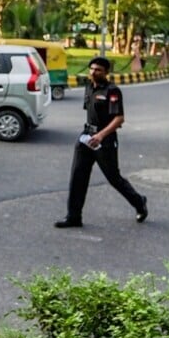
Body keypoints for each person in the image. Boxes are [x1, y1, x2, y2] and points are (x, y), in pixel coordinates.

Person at [54, 56, 148, 228]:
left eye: (98, 70)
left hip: (105, 140)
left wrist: (101, 135)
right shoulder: (89, 86)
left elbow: (119, 119)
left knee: (113, 178)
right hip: (87, 136)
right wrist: (90, 134)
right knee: (78, 176)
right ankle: (73, 217)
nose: (93, 72)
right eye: (91, 69)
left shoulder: (112, 91)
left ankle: (139, 202)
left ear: (106, 72)